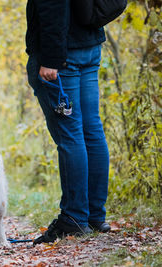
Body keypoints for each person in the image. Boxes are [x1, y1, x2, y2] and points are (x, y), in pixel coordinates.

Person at [25, 0, 111, 245]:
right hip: (89, 46)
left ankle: (73, 219)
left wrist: (51, 59)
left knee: (71, 135)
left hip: (62, 57)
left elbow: (53, 6)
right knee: (91, 131)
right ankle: (94, 216)